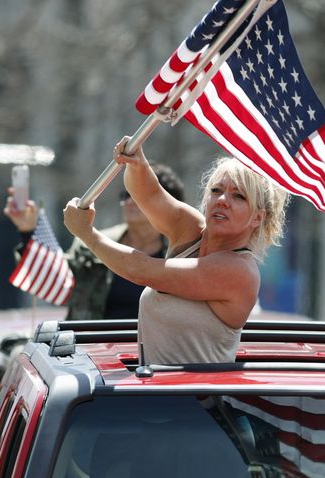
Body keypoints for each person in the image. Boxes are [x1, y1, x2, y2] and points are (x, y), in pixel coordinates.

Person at [63, 136, 289, 364]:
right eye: (216, 190)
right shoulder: (192, 229)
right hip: (153, 389)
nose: (222, 200)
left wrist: (87, 234)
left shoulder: (239, 270)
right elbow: (150, 195)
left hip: (193, 397)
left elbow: (142, 271)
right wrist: (137, 162)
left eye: (238, 196)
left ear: (257, 218)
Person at [4, 163, 185, 320]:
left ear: (167, 202)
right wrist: (28, 230)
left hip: (158, 357)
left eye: (138, 193)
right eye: (125, 194)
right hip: (92, 353)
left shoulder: (185, 254)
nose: (129, 201)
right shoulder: (90, 243)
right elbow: (56, 281)